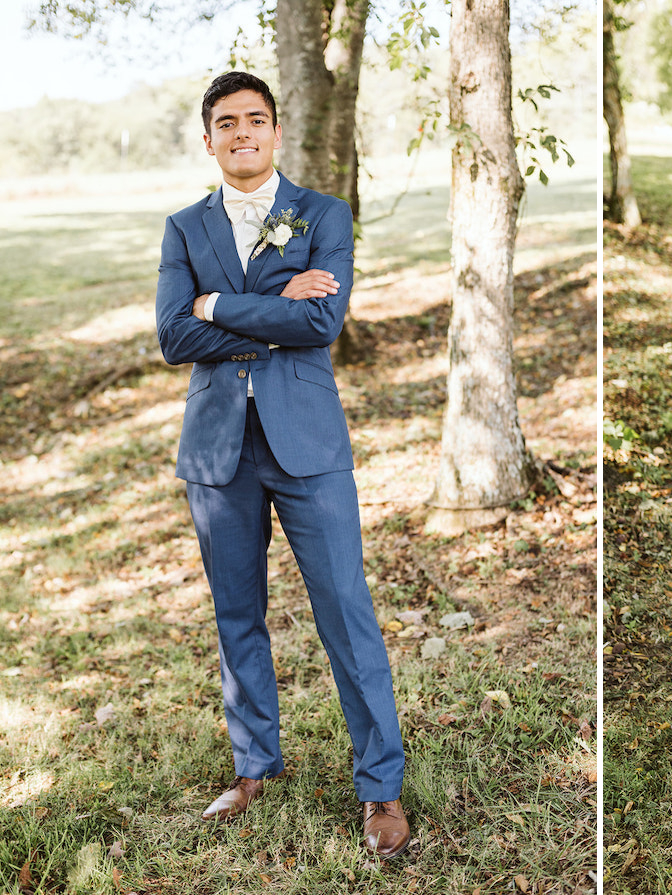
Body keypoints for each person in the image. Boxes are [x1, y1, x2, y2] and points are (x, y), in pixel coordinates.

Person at [154, 71, 409, 859]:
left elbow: (323, 320)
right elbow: (171, 336)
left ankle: (381, 788)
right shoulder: (183, 228)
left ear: (275, 132)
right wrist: (272, 314)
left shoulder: (323, 214)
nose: (241, 133)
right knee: (238, 617)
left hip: (308, 447)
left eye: (254, 120)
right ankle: (253, 765)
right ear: (208, 139)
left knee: (346, 611)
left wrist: (218, 306)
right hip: (217, 451)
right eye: (225, 122)